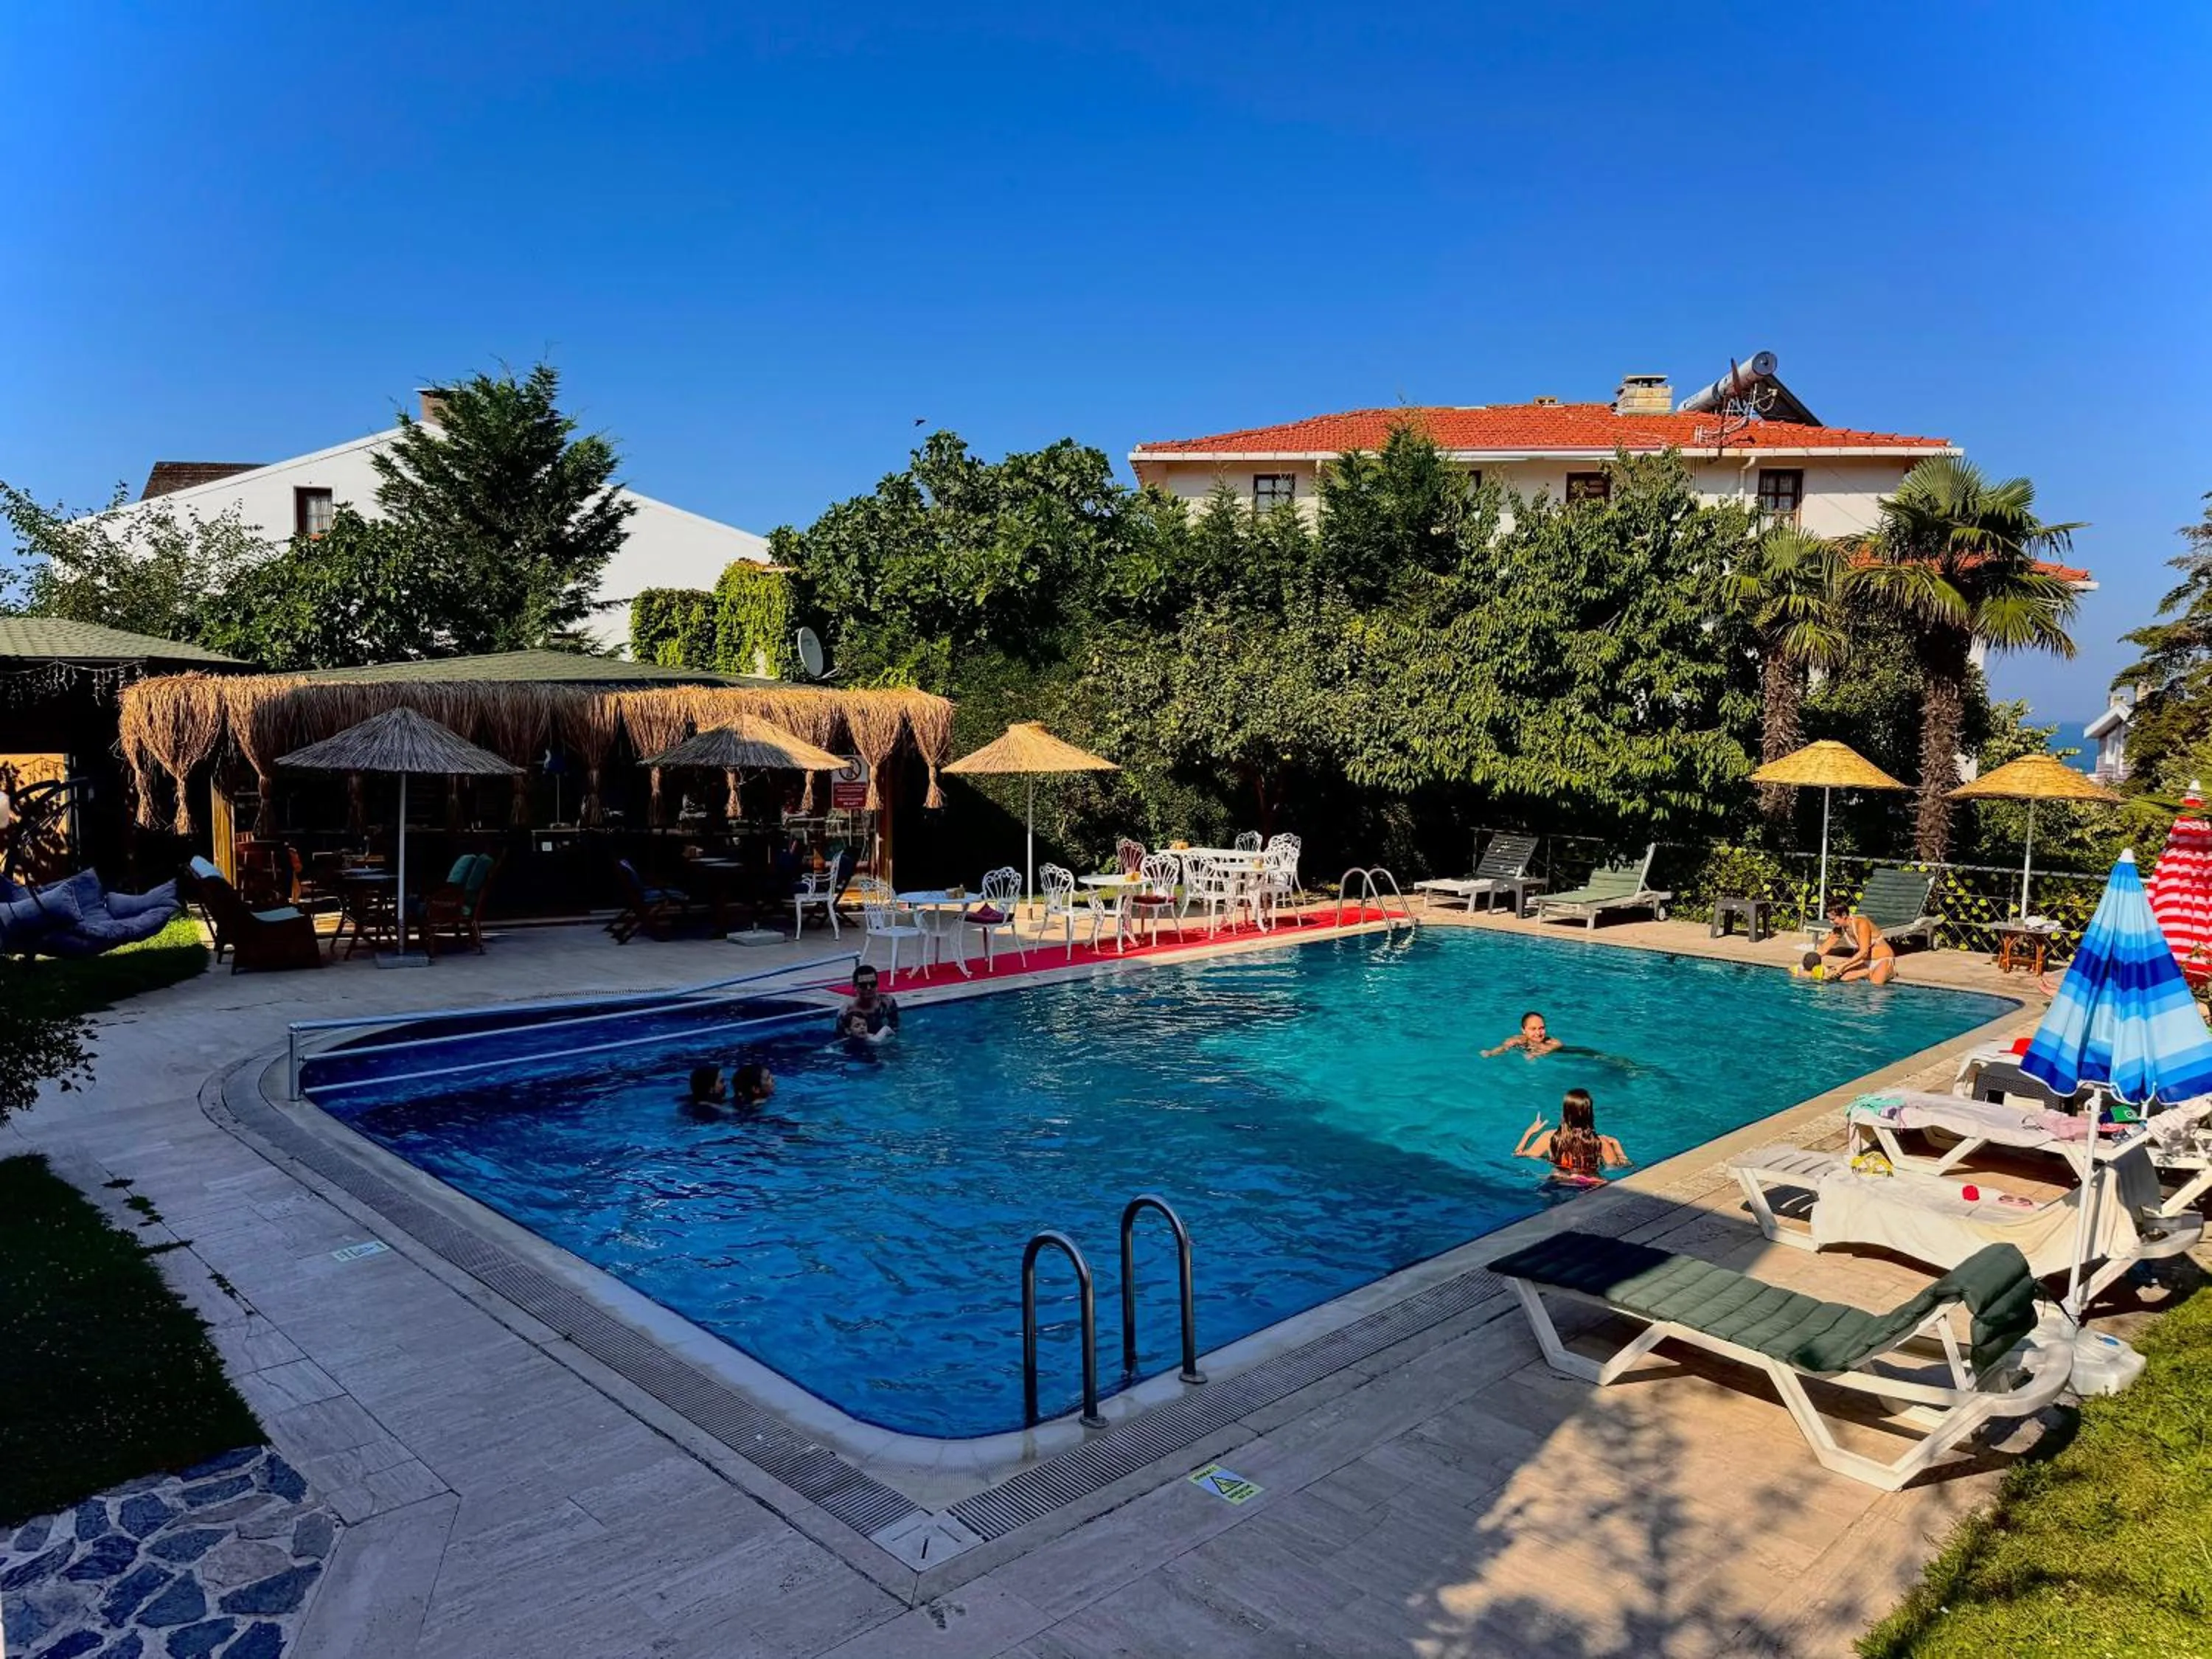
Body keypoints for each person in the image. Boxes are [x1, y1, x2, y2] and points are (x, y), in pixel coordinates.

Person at [1513, 1088, 1632, 1184]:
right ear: (1589, 1113)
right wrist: (1617, 1145)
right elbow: (1617, 1167)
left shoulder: (1548, 1137)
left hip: (1558, 1182)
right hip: (1590, 1184)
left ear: (1565, 1112)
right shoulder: (1600, 1142)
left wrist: (1528, 1133)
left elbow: (1517, 1154)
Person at [1824, 901, 1896, 985]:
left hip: (1883, 960)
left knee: (1875, 985)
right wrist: (1813, 961)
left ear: (1844, 915)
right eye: (1829, 919)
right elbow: (1823, 949)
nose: (1831, 922)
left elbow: (1864, 952)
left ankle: (1889, 971)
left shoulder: (1861, 924)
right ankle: (1869, 973)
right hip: (1865, 963)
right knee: (1844, 979)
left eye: (1833, 919)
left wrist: (1843, 965)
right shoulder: (1840, 928)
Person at [838, 964, 900, 1044]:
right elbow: (841, 1039)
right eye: (863, 985)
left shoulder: (888, 1002)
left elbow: (895, 1027)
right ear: (855, 986)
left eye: (872, 984)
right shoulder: (846, 1011)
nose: (869, 988)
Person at [1484, 1011, 1562, 1059]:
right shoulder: (1518, 1040)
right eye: (1533, 1029)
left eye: (1541, 1028)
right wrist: (1491, 1053)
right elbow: (1503, 1047)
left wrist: (1534, 1054)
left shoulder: (1553, 1043)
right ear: (1523, 1031)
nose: (1538, 1033)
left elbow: (1550, 1049)